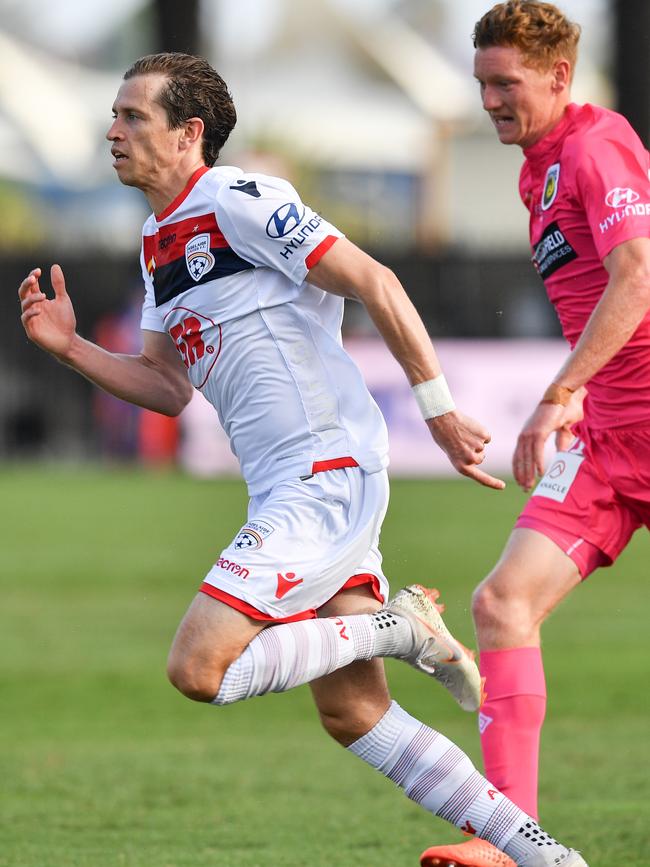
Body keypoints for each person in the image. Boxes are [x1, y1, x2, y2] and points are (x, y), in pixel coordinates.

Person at [19, 52, 589, 867]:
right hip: (290, 486)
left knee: (200, 666)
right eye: (114, 114)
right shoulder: (158, 243)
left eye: (132, 116)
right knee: (355, 714)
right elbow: (166, 387)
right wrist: (69, 347)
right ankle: (548, 857)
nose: (113, 129)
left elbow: (377, 282)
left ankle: (398, 625)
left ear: (189, 134)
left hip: (325, 475)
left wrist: (438, 410)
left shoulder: (237, 201)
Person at [420, 2, 650, 866]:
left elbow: (639, 276)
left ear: (558, 76)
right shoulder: (539, 170)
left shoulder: (596, 146)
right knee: (500, 603)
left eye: (504, 83)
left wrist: (559, 393)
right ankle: (510, 838)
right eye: (481, 84)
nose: (488, 101)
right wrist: (584, 403)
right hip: (613, 437)